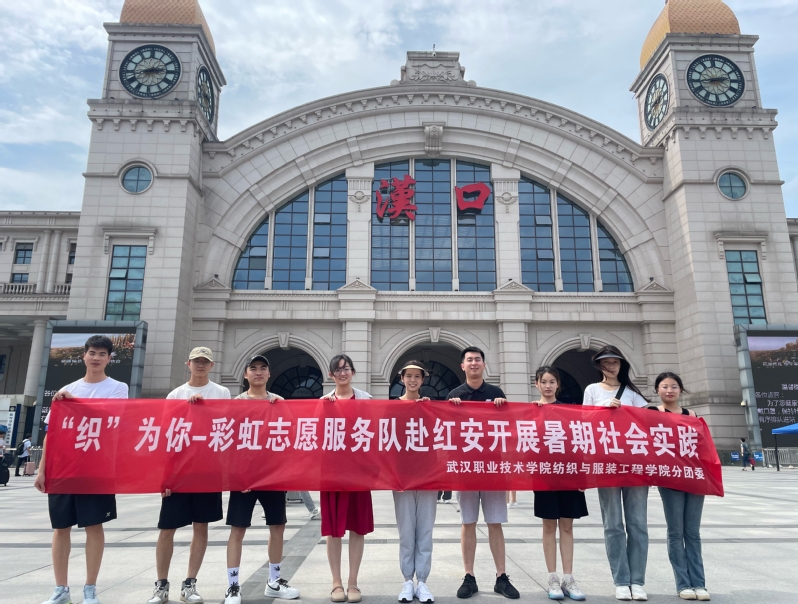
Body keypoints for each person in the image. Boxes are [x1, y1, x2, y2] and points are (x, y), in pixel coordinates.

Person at [35, 335, 129, 604]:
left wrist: (74, 402)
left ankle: (90, 588)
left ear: (110, 358)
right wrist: (42, 469)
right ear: (83, 356)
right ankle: (61, 589)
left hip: (97, 468)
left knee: (93, 525)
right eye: (92, 353)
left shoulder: (117, 388)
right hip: (64, 468)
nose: (96, 358)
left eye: (102, 353)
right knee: (60, 527)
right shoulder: (67, 389)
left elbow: (111, 418)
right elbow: (52, 434)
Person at [148, 347, 230, 604]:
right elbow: (166, 434)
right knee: (167, 528)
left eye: (205, 361)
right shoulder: (176, 394)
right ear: (188, 364)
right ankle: (161, 585)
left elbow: (226, 425)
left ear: (212, 365)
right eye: (196, 361)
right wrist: (165, 475)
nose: (200, 365)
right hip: (179, 471)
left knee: (201, 526)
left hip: (207, 470)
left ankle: (190, 584)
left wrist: (205, 409)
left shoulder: (221, 392)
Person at [223, 354, 298, 604]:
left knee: (277, 527)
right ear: (245, 374)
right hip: (243, 479)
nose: (258, 372)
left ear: (268, 374)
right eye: (253, 368)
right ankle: (233, 586)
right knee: (238, 530)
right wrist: (235, 475)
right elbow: (228, 441)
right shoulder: (236, 404)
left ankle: (274, 582)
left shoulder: (279, 402)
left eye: (263, 368)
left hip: (272, 476)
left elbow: (289, 437)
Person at [447, 346, 519, 600]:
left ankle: (501, 577)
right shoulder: (454, 395)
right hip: (466, 469)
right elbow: (447, 432)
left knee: (494, 522)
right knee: (468, 522)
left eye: (478, 359)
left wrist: (503, 408)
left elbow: (510, 428)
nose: (474, 363)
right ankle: (469, 576)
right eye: (469, 360)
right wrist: (451, 409)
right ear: (463, 366)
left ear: (484, 365)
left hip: (492, 469)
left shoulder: (496, 394)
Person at [582, 345, 649, 602]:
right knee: (613, 525)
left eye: (615, 362)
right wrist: (603, 410)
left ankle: (637, 581)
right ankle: (621, 580)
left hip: (634, 463)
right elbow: (582, 422)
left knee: (638, 524)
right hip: (607, 463)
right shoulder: (592, 390)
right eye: (606, 362)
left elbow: (649, 420)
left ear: (622, 365)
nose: (611, 366)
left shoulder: (632, 393)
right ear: (599, 365)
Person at [649, 373, 710, 601]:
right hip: (670, 479)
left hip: (694, 477)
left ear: (680, 390)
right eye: (664, 386)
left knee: (692, 533)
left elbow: (703, 447)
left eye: (674, 386)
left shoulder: (692, 416)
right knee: (675, 532)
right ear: (657, 390)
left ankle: (699, 584)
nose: (669, 390)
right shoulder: (652, 413)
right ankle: (683, 584)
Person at [320, 355, 374, 603]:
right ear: (331, 375)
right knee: (333, 531)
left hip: (358, 474)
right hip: (331, 474)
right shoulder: (323, 403)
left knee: (357, 528)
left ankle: (353, 582)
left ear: (353, 372)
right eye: (338, 370)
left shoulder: (365, 400)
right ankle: (336, 582)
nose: (343, 373)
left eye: (347, 369)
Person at [531, 367, 587, 601]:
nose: (547, 386)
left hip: (569, 474)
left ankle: (568, 578)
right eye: (543, 382)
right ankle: (552, 578)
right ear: (537, 384)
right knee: (548, 527)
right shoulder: (531, 412)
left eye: (552, 381)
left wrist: (582, 475)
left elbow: (579, 442)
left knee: (566, 527)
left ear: (558, 385)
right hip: (544, 475)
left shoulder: (568, 411)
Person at [393, 361, 436, 604]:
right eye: (408, 376)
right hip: (402, 478)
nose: (412, 380)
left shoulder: (431, 407)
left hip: (428, 476)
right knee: (406, 531)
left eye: (417, 376)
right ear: (402, 379)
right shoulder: (392, 408)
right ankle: (407, 580)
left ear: (422, 380)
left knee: (425, 531)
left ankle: (423, 581)